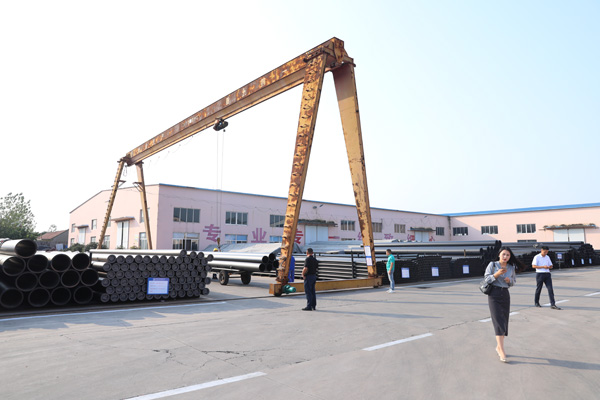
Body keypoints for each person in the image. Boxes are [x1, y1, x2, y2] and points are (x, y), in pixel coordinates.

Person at [483, 246, 524, 363]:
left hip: (505, 294)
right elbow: (486, 279)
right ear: (499, 255)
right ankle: (501, 350)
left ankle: (498, 347)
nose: (505, 257)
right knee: (498, 321)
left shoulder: (511, 267)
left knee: (504, 321)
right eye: (503, 254)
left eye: (508, 255)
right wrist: (496, 274)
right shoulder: (493, 265)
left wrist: (509, 281)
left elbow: (514, 281)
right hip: (494, 294)